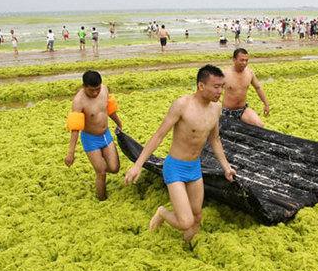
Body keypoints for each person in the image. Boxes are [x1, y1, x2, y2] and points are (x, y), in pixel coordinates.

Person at [124, 65, 235, 244]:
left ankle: (188, 246)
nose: (220, 91)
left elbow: (215, 140)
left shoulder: (216, 108)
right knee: (185, 222)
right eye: (216, 87)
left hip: (194, 167)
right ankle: (162, 213)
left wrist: (226, 167)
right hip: (175, 167)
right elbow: (159, 136)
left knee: (197, 216)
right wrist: (138, 165)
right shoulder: (182, 105)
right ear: (201, 86)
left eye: (222, 86)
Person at [65, 71, 122, 200]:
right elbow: (75, 128)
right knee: (101, 173)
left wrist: (118, 123)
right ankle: (102, 200)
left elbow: (110, 110)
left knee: (114, 168)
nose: (95, 93)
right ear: (84, 86)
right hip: (90, 139)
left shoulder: (105, 90)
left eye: (98, 89)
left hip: (106, 135)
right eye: (92, 90)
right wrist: (71, 152)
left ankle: (99, 168)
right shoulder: (78, 102)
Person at [222, 48, 270, 127]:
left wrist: (266, 104)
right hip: (227, 111)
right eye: (242, 60)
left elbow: (258, 88)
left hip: (243, 110)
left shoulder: (250, 73)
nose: (244, 63)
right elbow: (213, 91)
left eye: (246, 60)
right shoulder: (225, 74)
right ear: (234, 60)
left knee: (260, 125)